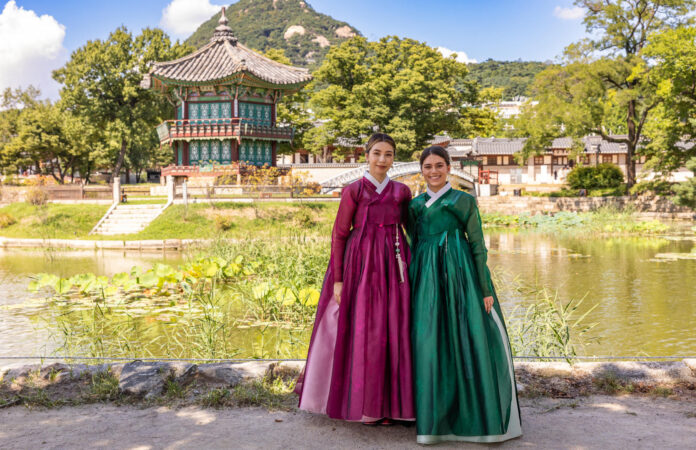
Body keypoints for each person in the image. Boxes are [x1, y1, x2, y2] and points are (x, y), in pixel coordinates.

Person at [295, 133, 415, 424]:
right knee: (365, 329)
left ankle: (391, 406)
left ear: (393, 158)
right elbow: (339, 234)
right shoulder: (354, 191)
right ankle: (366, 405)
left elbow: (413, 231)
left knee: (393, 328)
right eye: (377, 153)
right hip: (360, 264)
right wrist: (338, 279)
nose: (382, 159)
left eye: (388, 154)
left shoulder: (402, 191)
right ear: (366, 156)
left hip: (394, 265)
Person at [407, 146, 521, 444]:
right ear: (422, 169)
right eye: (428, 166)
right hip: (426, 279)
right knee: (429, 340)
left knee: (467, 338)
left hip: (461, 277)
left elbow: (478, 245)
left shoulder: (464, 200)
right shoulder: (415, 205)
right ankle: (433, 421)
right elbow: (411, 242)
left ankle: (476, 417)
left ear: (449, 167)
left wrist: (484, 288)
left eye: (439, 165)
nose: (434, 171)